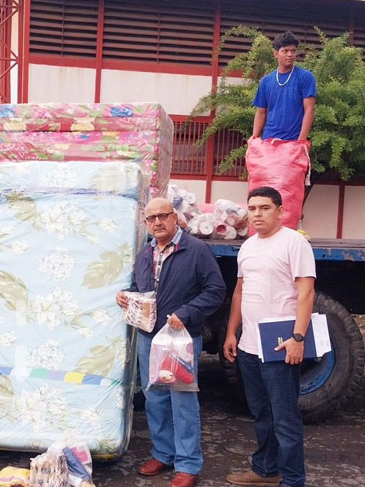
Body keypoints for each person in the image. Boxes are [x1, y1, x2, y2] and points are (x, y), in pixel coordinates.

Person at [116, 197, 225, 487]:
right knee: (155, 398)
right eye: (151, 219)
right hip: (149, 337)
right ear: (146, 223)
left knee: (183, 400)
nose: (157, 223)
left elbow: (216, 290)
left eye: (163, 216)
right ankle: (163, 453)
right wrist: (126, 295)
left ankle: (188, 464)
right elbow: (141, 289)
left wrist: (187, 313)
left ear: (174, 217)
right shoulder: (145, 253)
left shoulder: (196, 250)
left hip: (181, 338)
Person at [224, 186, 315, 487]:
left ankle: (292, 480)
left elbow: (306, 291)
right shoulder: (248, 246)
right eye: (252, 209)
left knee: (284, 418)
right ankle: (266, 470)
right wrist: (230, 333)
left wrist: (298, 338)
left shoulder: (293, 243)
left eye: (264, 208)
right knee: (261, 413)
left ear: (280, 211)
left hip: (279, 345)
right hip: (249, 345)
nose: (257, 214)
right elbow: (240, 291)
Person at [252, 31, 316, 142]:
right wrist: (254, 138)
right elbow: (261, 112)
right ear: (276, 54)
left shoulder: (305, 77)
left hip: (294, 142)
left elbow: (309, 109)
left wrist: (301, 140)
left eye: (293, 51)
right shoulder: (265, 81)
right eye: (285, 51)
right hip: (269, 141)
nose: (290, 55)